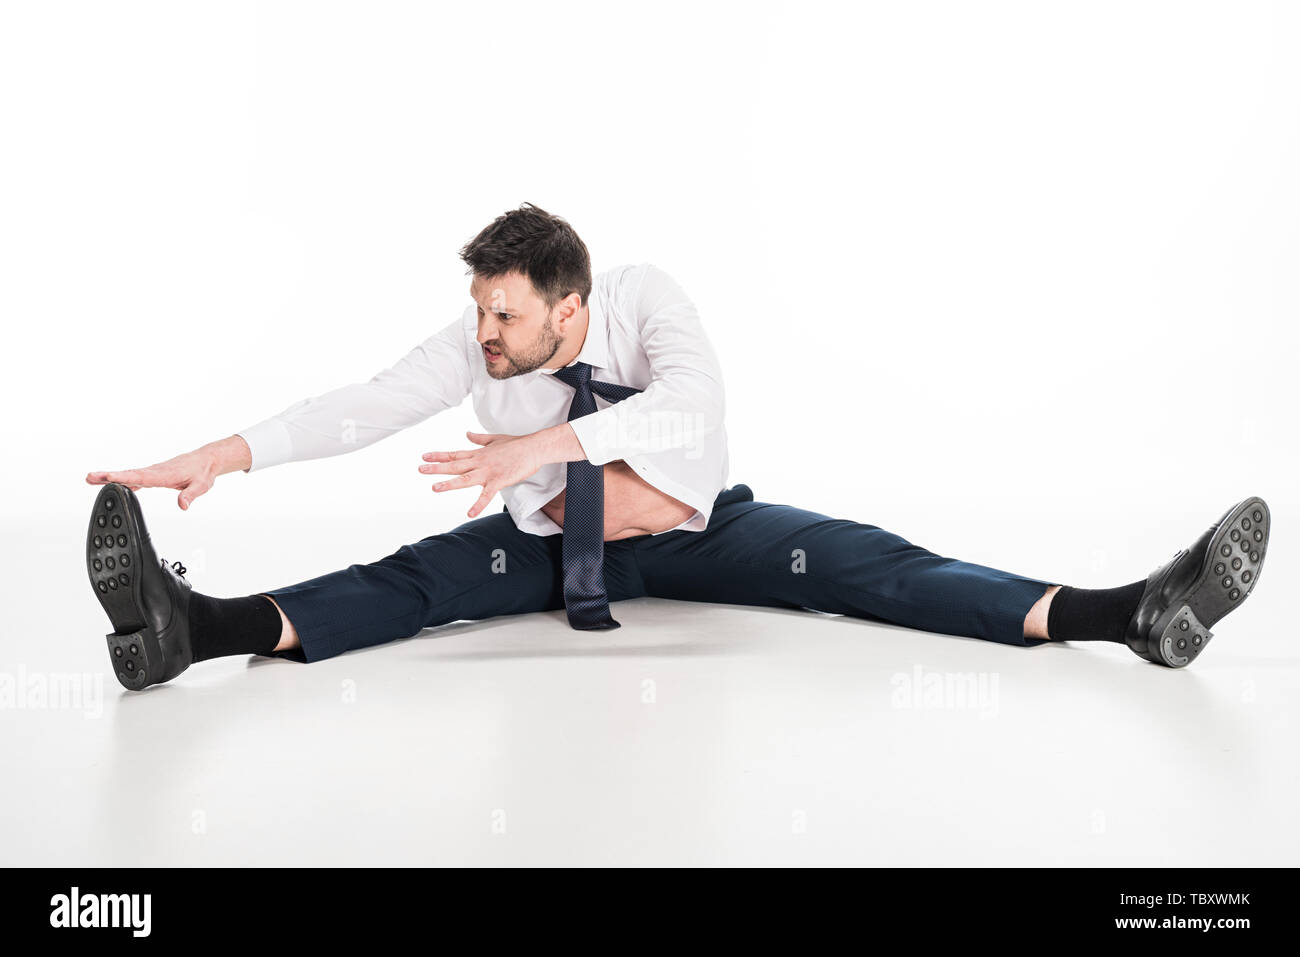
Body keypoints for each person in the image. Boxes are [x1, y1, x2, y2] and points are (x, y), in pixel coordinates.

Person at [84, 203, 1270, 690]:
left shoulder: (650, 304)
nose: (484, 335)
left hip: (705, 535)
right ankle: (193, 630)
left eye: (505, 315)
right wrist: (223, 454)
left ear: (568, 302)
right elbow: (361, 403)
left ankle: (1131, 611)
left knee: (879, 568)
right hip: (554, 550)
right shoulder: (476, 346)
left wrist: (544, 437)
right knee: (407, 586)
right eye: (478, 312)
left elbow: (691, 410)